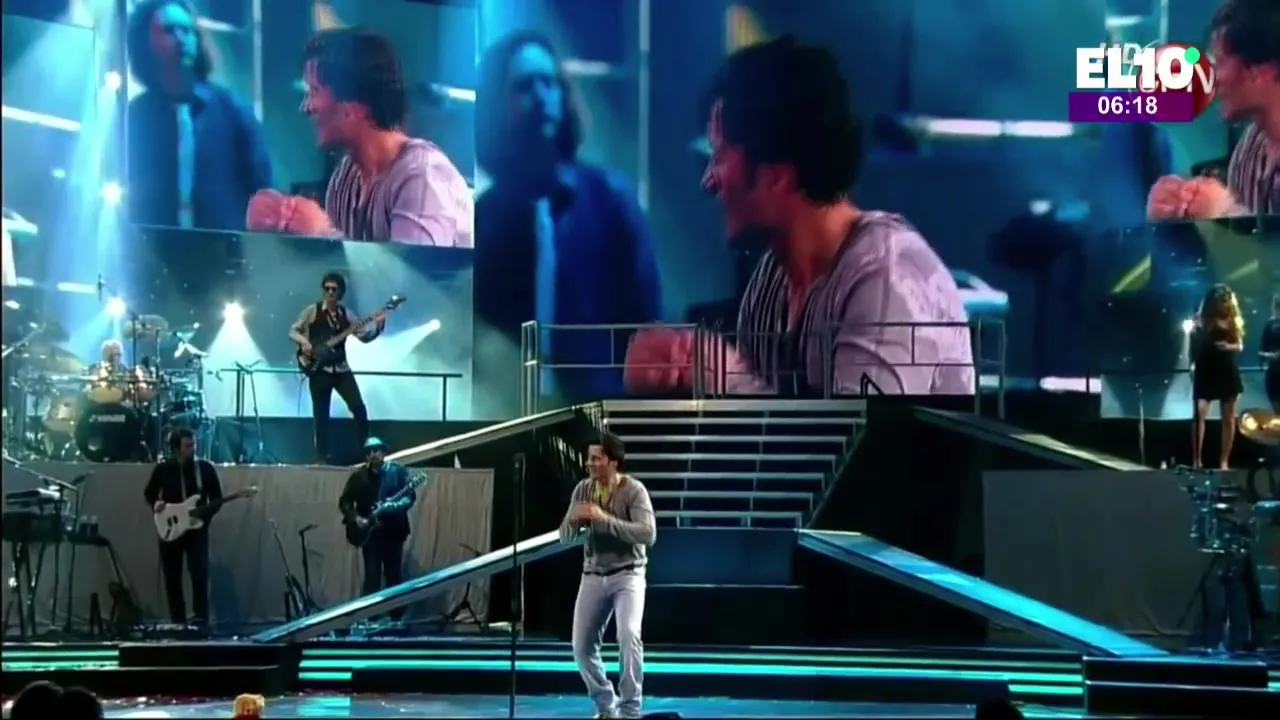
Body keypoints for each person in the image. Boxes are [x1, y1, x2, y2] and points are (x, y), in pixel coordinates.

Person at [624, 38, 972, 397]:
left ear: (776, 176)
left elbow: (860, 434)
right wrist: (670, 382)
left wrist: (727, 378)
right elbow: (754, 424)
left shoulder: (886, 277)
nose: (708, 180)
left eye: (721, 156)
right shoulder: (774, 279)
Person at [474, 31, 662, 409]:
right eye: (524, 86)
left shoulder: (609, 198)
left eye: (549, 82)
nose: (541, 96)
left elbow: (646, 323)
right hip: (507, 411)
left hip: (599, 414)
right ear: (498, 102)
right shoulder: (487, 215)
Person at [246, 27, 473, 245]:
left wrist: (322, 234)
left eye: (314, 92)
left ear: (354, 106)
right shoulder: (346, 178)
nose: (305, 107)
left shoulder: (423, 179)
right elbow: (339, 269)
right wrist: (280, 226)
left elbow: (409, 272)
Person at [125, 0, 272, 231]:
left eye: (187, 30)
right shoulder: (136, 115)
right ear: (146, 42)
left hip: (223, 248)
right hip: (152, 246)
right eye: (169, 30)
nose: (181, 38)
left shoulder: (232, 109)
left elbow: (262, 186)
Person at [1147, 0, 1279, 220]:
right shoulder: (1253, 148)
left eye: (1220, 63)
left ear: (1263, 72)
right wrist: (1181, 213)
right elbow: (1240, 243)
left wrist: (1227, 214)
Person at [558, 433, 656, 719]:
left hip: (628, 575)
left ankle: (630, 710)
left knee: (629, 635)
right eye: (588, 458)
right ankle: (605, 705)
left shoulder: (634, 491)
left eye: (596, 458)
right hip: (592, 575)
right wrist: (571, 522)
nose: (589, 463)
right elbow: (564, 537)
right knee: (581, 647)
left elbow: (648, 534)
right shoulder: (583, 489)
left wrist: (604, 519)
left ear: (613, 462)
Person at [289, 271, 385, 464]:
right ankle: (321, 457)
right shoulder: (312, 311)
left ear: (341, 292)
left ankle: (367, 453)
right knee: (321, 415)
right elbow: (293, 331)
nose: (330, 292)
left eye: (334, 289)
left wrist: (379, 326)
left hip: (341, 369)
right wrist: (304, 343)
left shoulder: (346, 314)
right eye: (327, 289)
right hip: (319, 370)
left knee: (358, 408)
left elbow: (364, 336)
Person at [143, 428, 223, 626]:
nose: (193, 449)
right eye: (188, 446)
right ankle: (177, 622)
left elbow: (217, 499)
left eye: (193, 444)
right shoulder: (163, 469)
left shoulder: (205, 469)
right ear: (176, 449)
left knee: (199, 574)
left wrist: (203, 517)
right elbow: (150, 492)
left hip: (197, 531)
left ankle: (201, 621)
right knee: (172, 576)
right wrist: (156, 503)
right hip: (171, 528)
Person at [338, 437, 416, 619]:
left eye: (376, 450)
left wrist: (393, 506)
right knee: (371, 577)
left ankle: (396, 618)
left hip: (394, 532)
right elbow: (345, 502)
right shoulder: (358, 477)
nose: (373, 455)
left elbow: (410, 497)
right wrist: (356, 518)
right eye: (369, 452)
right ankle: (370, 617)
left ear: (384, 452)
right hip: (370, 535)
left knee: (394, 576)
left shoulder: (397, 472)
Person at [1191, 285, 1246, 469]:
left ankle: (1224, 461)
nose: (1224, 303)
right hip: (1206, 367)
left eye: (1226, 300)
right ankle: (1197, 460)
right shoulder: (1202, 319)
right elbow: (1195, 342)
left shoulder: (1233, 318)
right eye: (1221, 300)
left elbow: (1239, 345)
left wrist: (1227, 346)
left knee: (1228, 417)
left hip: (1226, 368)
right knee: (1199, 412)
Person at [1261, 292, 1280, 410]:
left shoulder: (1270, 325)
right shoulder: (1269, 325)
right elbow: (1262, 352)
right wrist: (1271, 356)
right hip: (1274, 372)